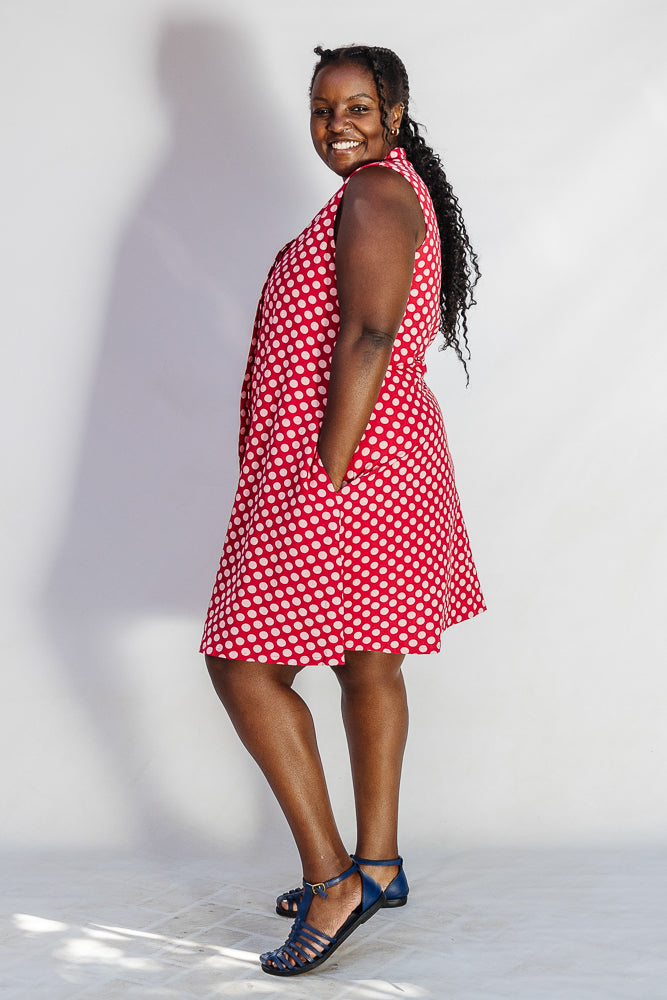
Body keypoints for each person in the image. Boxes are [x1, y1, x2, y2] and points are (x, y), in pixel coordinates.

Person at [201, 44, 486, 977]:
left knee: (242, 664)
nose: (337, 126)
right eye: (322, 109)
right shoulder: (385, 189)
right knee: (368, 661)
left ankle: (336, 881)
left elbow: (367, 331)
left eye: (357, 107)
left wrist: (322, 467)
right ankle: (379, 862)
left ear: (395, 111)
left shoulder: (373, 195)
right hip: (385, 460)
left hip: (349, 468)